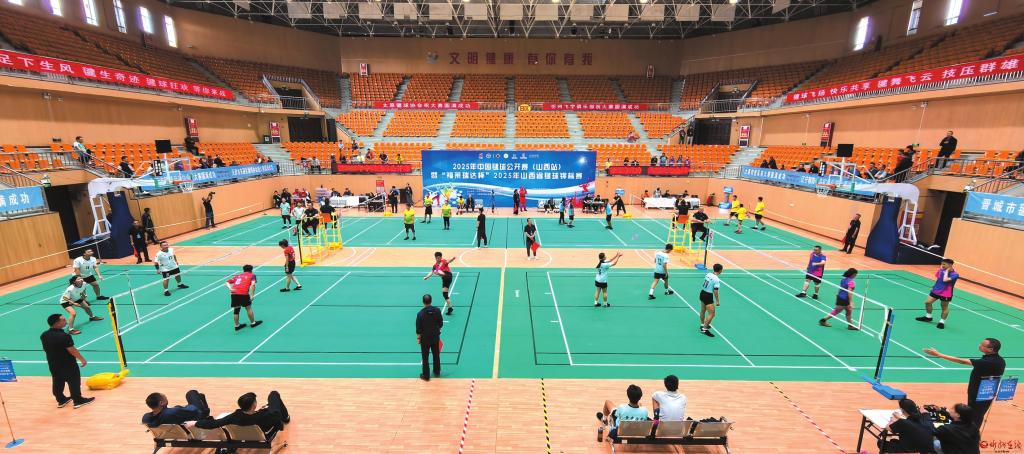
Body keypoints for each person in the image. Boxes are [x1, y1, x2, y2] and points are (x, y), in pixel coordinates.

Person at [924, 338, 1004, 421]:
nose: (979, 346)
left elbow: (962, 361)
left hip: (979, 394)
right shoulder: (1000, 360)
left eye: (982, 345)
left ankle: (971, 429)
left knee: (975, 416)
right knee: (976, 414)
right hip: (986, 392)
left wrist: (939, 355)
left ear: (991, 349)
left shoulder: (988, 362)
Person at [40, 314, 94, 408]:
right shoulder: (64, 336)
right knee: (74, 381)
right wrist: (82, 359)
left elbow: (44, 349)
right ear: (57, 323)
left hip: (53, 364)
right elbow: (72, 350)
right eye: (63, 320)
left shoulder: (44, 335)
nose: (66, 321)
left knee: (57, 381)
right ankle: (78, 400)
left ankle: (61, 400)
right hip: (68, 364)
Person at [196, 392, 290, 433]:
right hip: (264, 430)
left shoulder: (235, 416)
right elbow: (276, 416)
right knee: (273, 394)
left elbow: (214, 424)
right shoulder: (263, 415)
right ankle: (286, 418)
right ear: (254, 405)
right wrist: (266, 408)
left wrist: (196, 423)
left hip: (248, 431)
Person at [915, 258, 960, 329]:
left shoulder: (955, 274)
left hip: (946, 293)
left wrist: (946, 271)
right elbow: (938, 279)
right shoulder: (940, 270)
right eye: (942, 264)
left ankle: (942, 322)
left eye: (944, 264)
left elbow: (945, 280)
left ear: (950, 265)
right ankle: (928, 317)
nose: (942, 265)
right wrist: (934, 286)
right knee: (928, 302)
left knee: (944, 307)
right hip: (936, 290)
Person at [415, 293, 444, 380]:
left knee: (425, 357)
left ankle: (426, 375)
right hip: (435, 337)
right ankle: (437, 371)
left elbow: (418, 329)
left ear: (423, 302)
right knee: (436, 355)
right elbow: (441, 323)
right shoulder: (437, 311)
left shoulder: (420, 314)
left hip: (425, 339)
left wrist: (419, 338)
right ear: (431, 301)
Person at [142, 390, 210, 427]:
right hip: (197, 416)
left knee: (199, 397)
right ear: (161, 403)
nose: (166, 397)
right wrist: (178, 407)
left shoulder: (146, 418)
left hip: (170, 432)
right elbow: (194, 409)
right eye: (164, 397)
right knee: (191, 393)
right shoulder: (172, 412)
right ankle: (206, 410)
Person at [226, 264, 261, 331]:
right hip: (243, 294)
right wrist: (252, 295)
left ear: (243, 270)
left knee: (236, 310)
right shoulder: (252, 275)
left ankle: (237, 325)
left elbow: (227, 282)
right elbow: (253, 285)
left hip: (234, 293)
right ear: (251, 270)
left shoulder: (238, 276)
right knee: (248, 308)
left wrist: (230, 288)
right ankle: (253, 323)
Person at [699, 264, 723, 337]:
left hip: (702, 293)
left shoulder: (708, 274)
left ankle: (702, 325)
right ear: (720, 270)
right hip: (708, 296)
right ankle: (704, 329)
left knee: (703, 310)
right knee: (712, 314)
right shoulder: (716, 279)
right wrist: (717, 301)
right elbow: (715, 291)